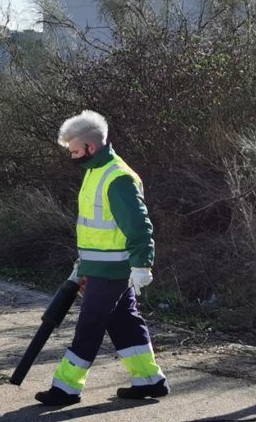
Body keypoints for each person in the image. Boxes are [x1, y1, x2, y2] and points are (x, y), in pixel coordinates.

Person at [35, 110, 169, 406]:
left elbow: (138, 225)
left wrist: (142, 264)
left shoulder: (117, 178)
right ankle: (150, 380)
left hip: (113, 271)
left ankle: (66, 388)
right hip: (102, 268)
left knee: (89, 325)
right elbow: (96, 230)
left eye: (74, 151)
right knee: (124, 322)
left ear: (91, 147)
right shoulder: (95, 170)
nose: (72, 157)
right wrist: (84, 264)